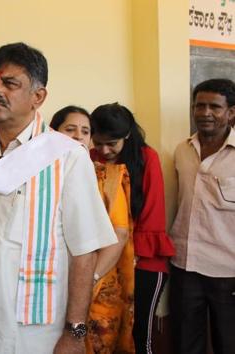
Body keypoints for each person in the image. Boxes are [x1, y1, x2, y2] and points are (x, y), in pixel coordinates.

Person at [0, 43, 117, 354]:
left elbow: (84, 253)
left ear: (38, 97)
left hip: (34, 335)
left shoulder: (66, 158)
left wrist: (76, 333)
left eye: (9, 83)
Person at [90, 103, 175, 354]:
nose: (104, 150)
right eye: (98, 142)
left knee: (139, 335)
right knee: (103, 331)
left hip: (143, 259)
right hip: (104, 259)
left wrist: (132, 254)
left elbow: (153, 210)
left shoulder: (147, 157)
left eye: (112, 143)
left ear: (127, 136)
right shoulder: (90, 158)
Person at [52, 106, 135, 353]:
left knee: (87, 341)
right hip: (50, 287)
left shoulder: (107, 176)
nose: (78, 135)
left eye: (85, 131)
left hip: (96, 285)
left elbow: (119, 235)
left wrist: (88, 281)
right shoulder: (38, 177)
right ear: (51, 133)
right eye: (70, 129)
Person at [170, 78, 235, 354]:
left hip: (228, 269)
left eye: (214, 107)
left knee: (229, 343)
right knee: (186, 343)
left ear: (231, 112)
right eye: (199, 106)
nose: (205, 113)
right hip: (185, 265)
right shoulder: (182, 150)